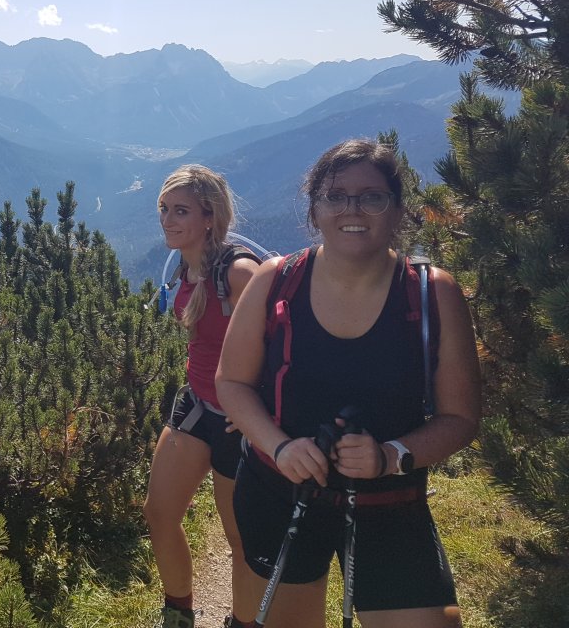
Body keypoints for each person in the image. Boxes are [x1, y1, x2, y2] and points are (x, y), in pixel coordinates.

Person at [214, 138, 481, 628]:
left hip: (391, 505)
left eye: (371, 197)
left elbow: (460, 417)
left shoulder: (432, 294)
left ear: (397, 209)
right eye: (335, 196)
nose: (351, 209)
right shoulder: (276, 281)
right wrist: (280, 447)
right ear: (314, 210)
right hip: (279, 494)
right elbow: (231, 381)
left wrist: (391, 456)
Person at [144, 164, 262, 628]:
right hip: (196, 403)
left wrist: (257, 408)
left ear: (209, 216)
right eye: (164, 209)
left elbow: (286, 343)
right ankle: (178, 613)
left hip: (237, 419)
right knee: (159, 512)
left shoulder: (239, 272)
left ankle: (243, 622)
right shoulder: (185, 266)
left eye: (180, 211)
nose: (167, 220)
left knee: (241, 539)